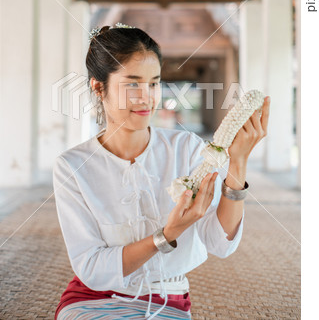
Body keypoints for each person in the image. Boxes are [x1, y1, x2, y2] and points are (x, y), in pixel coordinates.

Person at [53, 23, 270, 319]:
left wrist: (238, 162)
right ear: (98, 86)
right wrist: (168, 234)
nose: (147, 97)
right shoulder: (72, 166)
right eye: (132, 84)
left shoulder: (188, 149)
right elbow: (92, 269)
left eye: (153, 83)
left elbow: (220, 244)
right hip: (93, 300)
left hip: (168, 299)